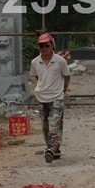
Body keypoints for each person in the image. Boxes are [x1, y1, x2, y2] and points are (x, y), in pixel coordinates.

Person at [28, 34, 70, 163]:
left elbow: (67, 76)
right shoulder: (35, 62)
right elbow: (34, 76)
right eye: (41, 46)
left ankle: (52, 148)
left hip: (56, 97)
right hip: (42, 97)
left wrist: (62, 91)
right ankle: (52, 149)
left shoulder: (60, 61)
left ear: (52, 46)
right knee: (45, 126)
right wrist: (39, 87)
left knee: (54, 125)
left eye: (47, 45)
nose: (44, 48)